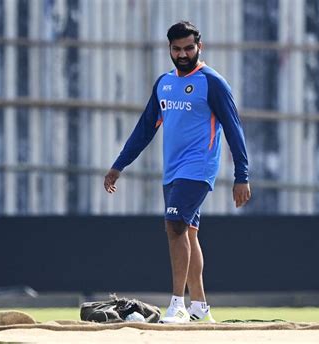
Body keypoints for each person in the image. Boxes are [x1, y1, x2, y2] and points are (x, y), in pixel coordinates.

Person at [104, 21, 251, 323]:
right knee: (188, 232)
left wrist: (242, 175)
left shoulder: (213, 83)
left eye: (189, 48)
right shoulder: (164, 83)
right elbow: (144, 129)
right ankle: (199, 306)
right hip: (172, 170)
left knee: (174, 226)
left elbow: (234, 130)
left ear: (200, 47)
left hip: (199, 168)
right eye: (177, 49)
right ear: (169, 49)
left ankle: (178, 305)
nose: (183, 54)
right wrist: (119, 165)